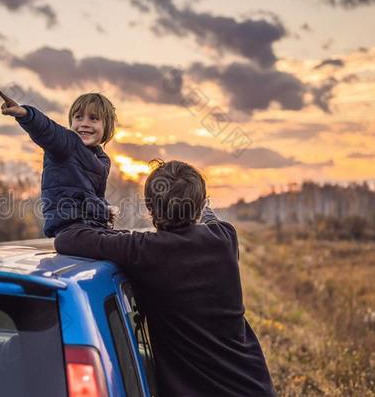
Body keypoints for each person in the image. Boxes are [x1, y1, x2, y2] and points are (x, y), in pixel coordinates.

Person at [54, 160, 275, 397]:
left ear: (150, 208)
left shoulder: (145, 251)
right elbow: (210, 217)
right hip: (254, 386)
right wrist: (198, 201)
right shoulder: (224, 237)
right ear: (199, 206)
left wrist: (109, 227)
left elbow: (67, 239)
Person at [0, 90, 117, 237]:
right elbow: (49, 130)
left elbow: (92, 196)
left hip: (91, 226)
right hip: (69, 229)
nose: (84, 124)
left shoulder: (102, 159)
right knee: (118, 245)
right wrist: (25, 114)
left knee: (127, 238)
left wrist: (105, 211)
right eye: (78, 117)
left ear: (107, 128)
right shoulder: (66, 144)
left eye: (93, 118)